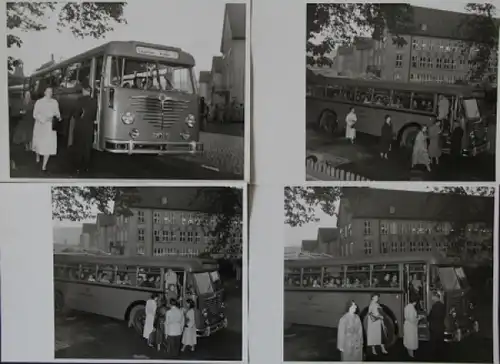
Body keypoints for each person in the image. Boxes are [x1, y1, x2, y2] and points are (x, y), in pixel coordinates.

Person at [32, 86, 61, 172]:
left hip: (50, 127)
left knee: (48, 146)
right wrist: (44, 119)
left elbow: (57, 113)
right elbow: (35, 114)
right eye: (48, 91)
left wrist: (58, 117)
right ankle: (37, 156)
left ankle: (44, 166)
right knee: (39, 145)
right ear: (44, 92)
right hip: (40, 126)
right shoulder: (39, 102)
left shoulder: (55, 102)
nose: (50, 93)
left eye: (51, 91)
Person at [73, 84, 98, 174]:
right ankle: (86, 167)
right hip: (89, 127)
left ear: (84, 91)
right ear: (90, 92)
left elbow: (76, 114)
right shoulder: (94, 101)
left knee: (79, 147)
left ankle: (78, 168)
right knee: (87, 148)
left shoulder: (79, 100)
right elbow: (94, 116)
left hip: (80, 126)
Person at [428, 291, 446, 361]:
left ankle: (434, 359)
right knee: (440, 344)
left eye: (433, 297)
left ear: (436, 297)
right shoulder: (442, 305)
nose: (432, 298)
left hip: (434, 328)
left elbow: (431, 316)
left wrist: (427, 318)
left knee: (433, 344)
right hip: (441, 327)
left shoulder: (434, 306)